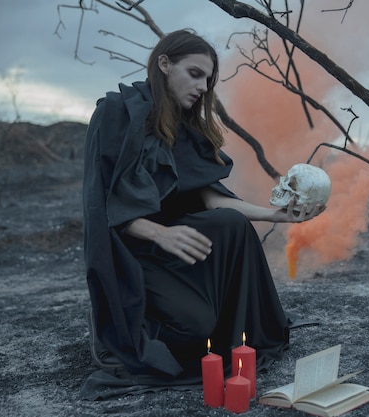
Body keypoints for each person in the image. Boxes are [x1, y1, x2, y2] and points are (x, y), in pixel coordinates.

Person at [82, 29, 324, 384]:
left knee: (231, 223)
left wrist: (275, 215)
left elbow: (212, 199)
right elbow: (101, 204)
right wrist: (158, 233)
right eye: (194, 74)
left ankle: (225, 318)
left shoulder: (184, 125)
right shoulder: (116, 112)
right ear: (164, 63)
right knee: (195, 330)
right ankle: (125, 320)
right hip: (133, 253)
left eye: (208, 80)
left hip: (178, 245)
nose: (202, 87)